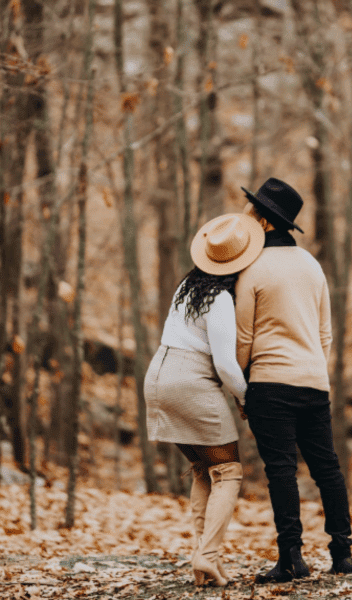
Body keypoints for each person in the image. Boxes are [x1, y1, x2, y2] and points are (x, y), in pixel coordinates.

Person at [235, 177, 352, 583]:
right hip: (313, 379)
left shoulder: (252, 269)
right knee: (327, 467)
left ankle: (291, 558)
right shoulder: (312, 265)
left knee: (282, 470)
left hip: (270, 382)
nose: (249, 215)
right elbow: (325, 334)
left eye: (254, 210)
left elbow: (244, 338)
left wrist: (241, 387)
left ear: (266, 222)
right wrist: (312, 369)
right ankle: (343, 553)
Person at [144, 213, 265, 587]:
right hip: (191, 382)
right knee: (228, 472)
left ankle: (202, 560)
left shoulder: (187, 288)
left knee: (203, 470)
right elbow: (226, 363)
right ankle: (208, 555)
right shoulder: (220, 300)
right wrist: (245, 398)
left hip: (158, 377)